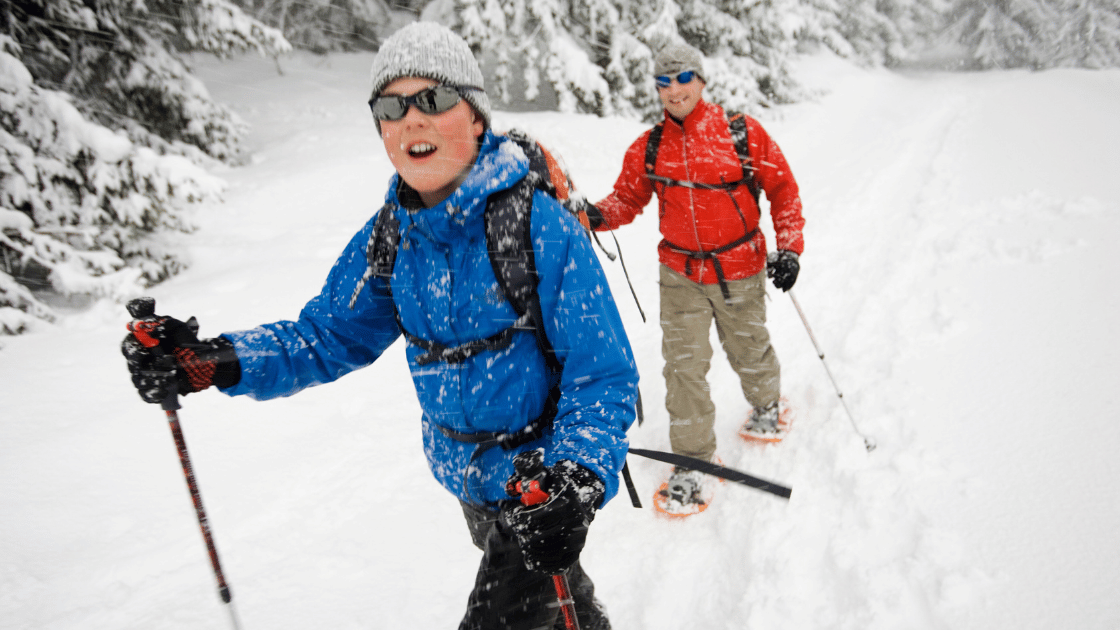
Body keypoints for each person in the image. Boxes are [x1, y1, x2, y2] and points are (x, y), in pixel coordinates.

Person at [121, 22, 638, 630]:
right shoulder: (391, 236)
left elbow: (602, 377)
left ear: (476, 117)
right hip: (465, 477)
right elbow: (327, 336)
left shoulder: (539, 227)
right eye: (392, 106)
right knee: (554, 584)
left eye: (434, 100)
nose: (412, 119)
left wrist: (573, 478)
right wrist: (212, 360)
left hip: (539, 481)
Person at [586, 41, 804, 513]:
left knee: (747, 345)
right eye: (662, 82)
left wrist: (789, 249)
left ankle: (767, 402)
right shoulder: (651, 147)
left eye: (682, 77)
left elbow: (783, 190)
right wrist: (588, 216)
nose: (673, 89)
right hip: (679, 273)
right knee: (683, 369)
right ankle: (693, 462)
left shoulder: (742, 133)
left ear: (701, 80)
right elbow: (625, 201)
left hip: (739, 267)